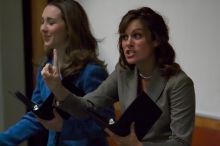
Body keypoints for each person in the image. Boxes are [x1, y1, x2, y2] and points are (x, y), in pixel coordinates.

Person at [42, 7, 195, 146]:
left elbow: (181, 142)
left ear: (155, 40)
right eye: (124, 37)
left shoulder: (178, 83)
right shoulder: (124, 73)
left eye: (137, 36)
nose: (128, 43)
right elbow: (86, 107)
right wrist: (57, 88)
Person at [0, 0, 114, 146]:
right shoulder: (46, 67)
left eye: (51, 22)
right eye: (42, 22)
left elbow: (106, 124)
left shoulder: (91, 72)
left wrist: (65, 127)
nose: (43, 28)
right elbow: (36, 116)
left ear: (70, 28)